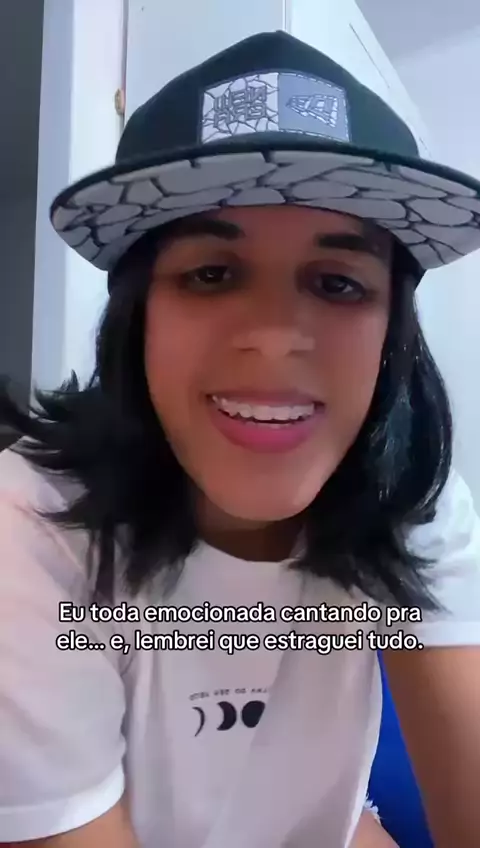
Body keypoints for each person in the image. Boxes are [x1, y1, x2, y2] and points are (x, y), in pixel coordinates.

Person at [0, 30, 479, 848]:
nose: (276, 337)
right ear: (138, 316)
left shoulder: (411, 500)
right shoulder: (30, 523)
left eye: (338, 283)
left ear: (392, 333)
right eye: (211, 274)